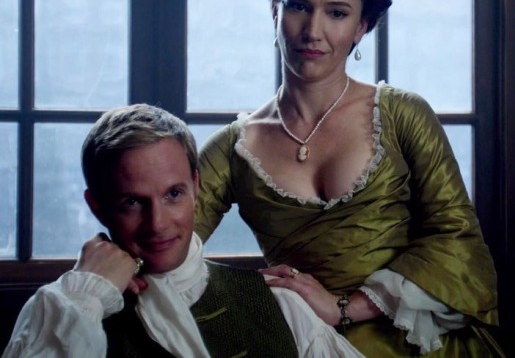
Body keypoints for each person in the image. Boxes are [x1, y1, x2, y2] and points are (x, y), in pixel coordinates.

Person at [195, 0, 504, 357]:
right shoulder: (232, 149)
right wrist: (253, 295)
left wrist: (345, 307)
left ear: (362, 26)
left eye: (337, 13)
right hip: (309, 346)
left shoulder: (402, 115)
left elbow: (459, 242)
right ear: (275, 10)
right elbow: (165, 243)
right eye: (299, 6)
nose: (313, 31)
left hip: (426, 343)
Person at [2, 103, 364, 358]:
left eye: (173, 194)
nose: (157, 223)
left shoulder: (277, 303)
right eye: (133, 202)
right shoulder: (68, 310)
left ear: (195, 186)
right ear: (97, 206)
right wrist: (87, 293)